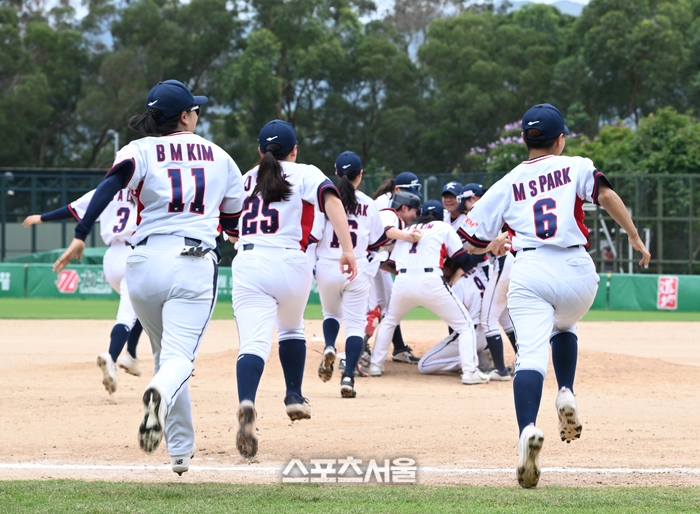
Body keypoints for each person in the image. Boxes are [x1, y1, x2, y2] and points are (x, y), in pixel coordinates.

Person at [53, 79, 245, 476]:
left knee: (165, 357)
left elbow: (108, 186)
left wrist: (80, 233)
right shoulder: (220, 156)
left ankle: (180, 451)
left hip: (140, 263)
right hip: (191, 262)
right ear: (185, 117)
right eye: (195, 109)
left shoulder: (138, 149)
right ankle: (156, 391)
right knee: (178, 361)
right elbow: (232, 221)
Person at [462, 103, 651, 488]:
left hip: (530, 269)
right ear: (560, 139)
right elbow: (606, 195)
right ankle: (566, 392)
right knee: (564, 324)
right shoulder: (576, 166)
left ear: (524, 139)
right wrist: (633, 235)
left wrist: (492, 244)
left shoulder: (508, 182)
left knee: (531, 355)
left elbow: (471, 241)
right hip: (577, 271)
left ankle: (527, 431)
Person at [231, 120, 358, 459]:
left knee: (253, 343)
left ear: (260, 151)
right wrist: (347, 248)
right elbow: (332, 200)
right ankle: (293, 395)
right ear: (294, 150)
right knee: (291, 328)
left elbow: (228, 223)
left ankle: (247, 402)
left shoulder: (246, 178)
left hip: (249, 260)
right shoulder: (305, 173)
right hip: (291, 261)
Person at [24, 189, 144, 395]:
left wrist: (42, 217)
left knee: (141, 305)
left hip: (111, 259)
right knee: (128, 314)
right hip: (134, 255)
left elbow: (72, 209)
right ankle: (112, 357)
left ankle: (131, 355)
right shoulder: (147, 188)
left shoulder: (108, 189)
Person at [368, 200, 489, 385]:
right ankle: (469, 371)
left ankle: (376, 365)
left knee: (390, 321)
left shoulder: (408, 230)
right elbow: (461, 258)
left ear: (420, 214)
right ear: (441, 216)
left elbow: (391, 264)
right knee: (465, 326)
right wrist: (484, 249)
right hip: (431, 280)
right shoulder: (443, 227)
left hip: (403, 280)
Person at [313, 151, 387, 398]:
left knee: (331, 314)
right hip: (357, 267)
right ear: (360, 174)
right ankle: (348, 378)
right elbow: (377, 243)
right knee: (355, 325)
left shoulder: (324, 200)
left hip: (327, 265)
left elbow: (313, 236)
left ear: (336, 173)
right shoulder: (368, 203)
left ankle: (329, 346)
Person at [364, 192, 423, 366]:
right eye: (414, 211)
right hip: (360, 265)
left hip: (369, 264)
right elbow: (386, 230)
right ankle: (356, 354)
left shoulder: (398, 225)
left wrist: (398, 272)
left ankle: (397, 349)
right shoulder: (389, 214)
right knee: (373, 311)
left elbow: (381, 260)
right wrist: (409, 236)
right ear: (404, 207)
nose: (415, 216)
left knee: (387, 309)